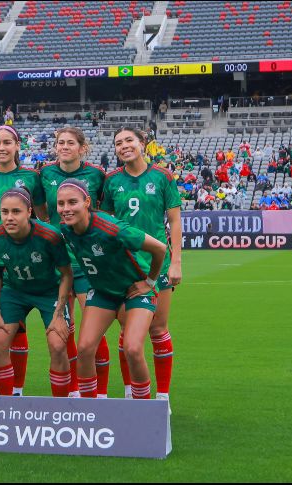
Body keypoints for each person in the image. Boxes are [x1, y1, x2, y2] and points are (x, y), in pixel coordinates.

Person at [57, 179, 166, 399]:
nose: (66, 209)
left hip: (133, 292)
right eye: (61, 204)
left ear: (87, 202)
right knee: (85, 348)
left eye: (72, 202)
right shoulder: (66, 230)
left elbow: (160, 248)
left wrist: (150, 282)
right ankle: (90, 411)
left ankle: (143, 409)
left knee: (133, 348)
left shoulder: (112, 228)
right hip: (102, 293)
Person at [102, 128, 182, 405]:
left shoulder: (162, 176)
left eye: (129, 140)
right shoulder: (111, 181)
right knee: (128, 333)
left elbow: (175, 221)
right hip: (126, 266)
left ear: (143, 143)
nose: (124, 146)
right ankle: (130, 393)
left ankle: (162, 397)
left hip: (158, 263)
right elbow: (106, 223)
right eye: (118, 143)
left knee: (158, 329)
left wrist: (177, 262)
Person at [0, 125, 48, 396]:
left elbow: (42, 218)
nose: (1, 148)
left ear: (17, 146)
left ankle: (16, 389)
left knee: (17, 326)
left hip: (19, 259)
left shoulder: (31, 177)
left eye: (7, 142)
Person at [39, 126, 110, 397]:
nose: (64, 147)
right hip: (57, 262)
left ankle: (100, 394)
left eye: (70, 143)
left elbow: (103, 212)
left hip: (86, 262)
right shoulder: (45, 173)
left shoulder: (96, 174)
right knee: (63, 329)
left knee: (93, 330)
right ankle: (72, 391)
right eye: (60, 143)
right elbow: (42, 212)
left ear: (82, 148)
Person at [0, 188, 73, 397]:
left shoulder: (50, 236)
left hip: (49, 292)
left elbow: (67, 274)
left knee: (58, 344)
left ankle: (62, 407)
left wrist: (60, 313)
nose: (9, 217)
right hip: (14, 292)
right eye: (5, 212)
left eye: (16, 211)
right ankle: (7, 406)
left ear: (29, 212)